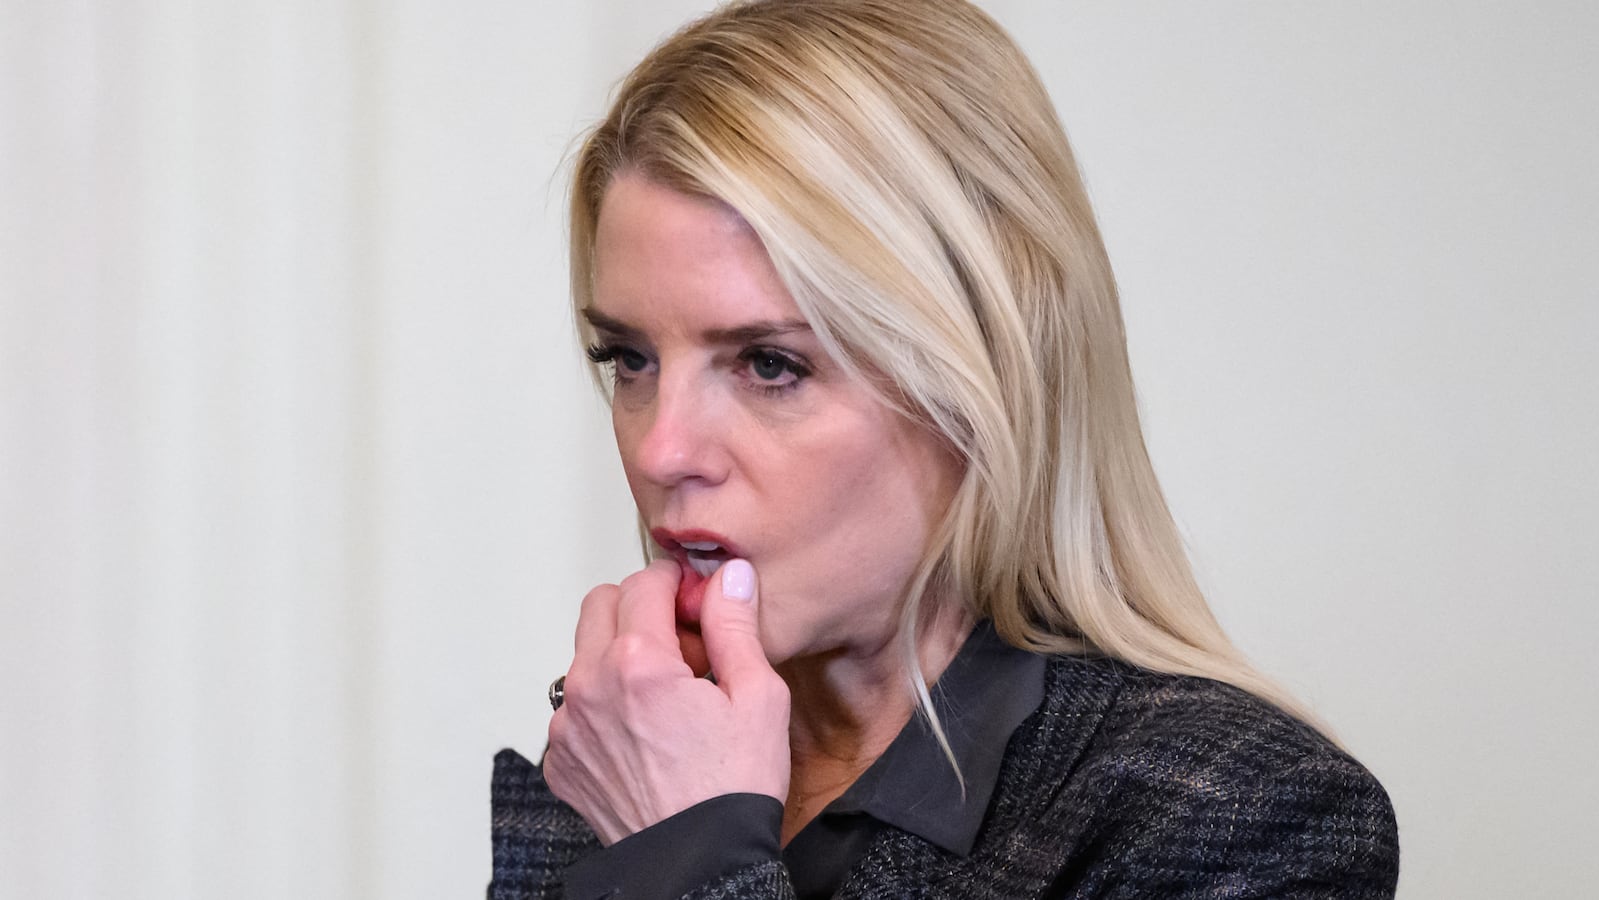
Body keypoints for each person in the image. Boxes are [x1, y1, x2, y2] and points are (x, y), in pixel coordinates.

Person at [489, 1, 1400, 897]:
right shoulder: (626, 748)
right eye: (631, 359)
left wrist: (689, 858)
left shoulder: (1238, 815)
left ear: (982, 382)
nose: (662, 449)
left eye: (770, 364)